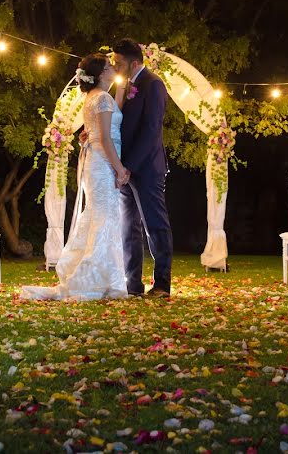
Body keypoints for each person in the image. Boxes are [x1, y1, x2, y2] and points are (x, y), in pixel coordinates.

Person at [21, 54, 130, 301]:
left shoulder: (95, 98)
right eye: (109, 66)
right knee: (103, 219)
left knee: (99, 217)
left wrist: (122, 89)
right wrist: (120, 169)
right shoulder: (101, 98)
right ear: (101, 74)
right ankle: (92, 277)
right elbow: (104, 138)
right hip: (102, 164)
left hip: (97, 162)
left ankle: (103, 278)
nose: (113, 67)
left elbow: (106, 122)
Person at [111, 38, 174, 298]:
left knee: (154, 225)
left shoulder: (154, 84)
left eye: (118, 62)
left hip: (146, 168)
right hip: (126, 170)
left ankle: (162, 284)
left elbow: (151, 131)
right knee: (129, 228)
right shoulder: (125, 85)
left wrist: (129, 167)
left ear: (134, 62)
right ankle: (133, 284)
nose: (115, 66)